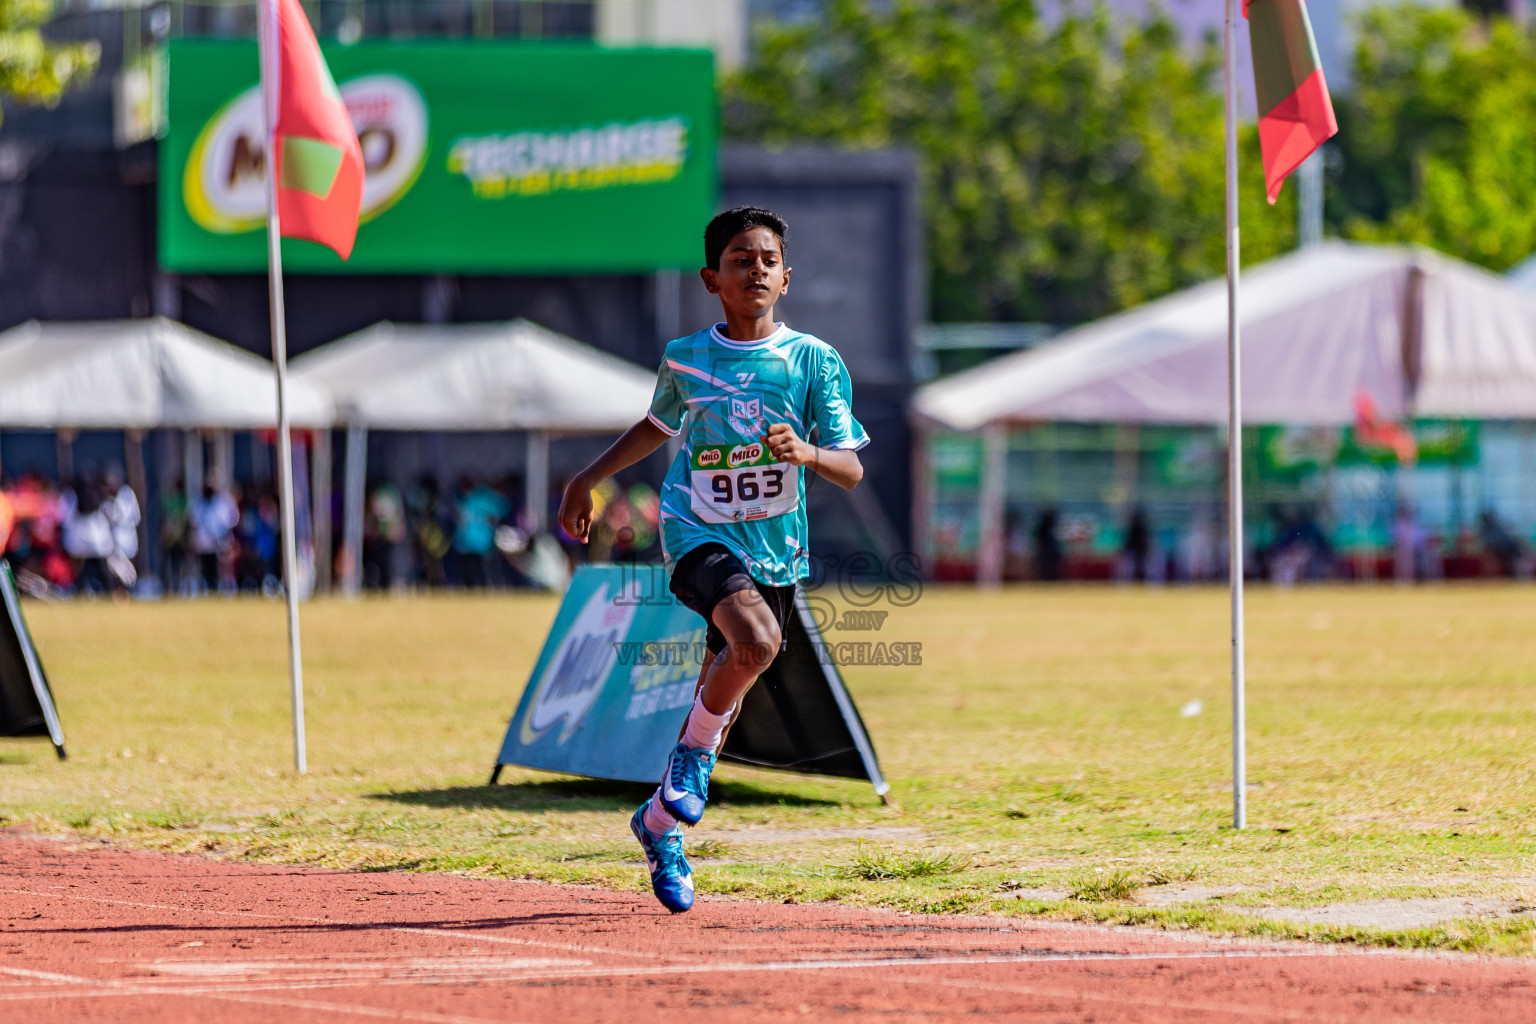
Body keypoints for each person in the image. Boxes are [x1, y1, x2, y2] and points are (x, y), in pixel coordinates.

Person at [557, 207, 868, 914]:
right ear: (710, 279)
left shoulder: (814, 361)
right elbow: (656, 426)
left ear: (786, 278)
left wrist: (807, 452)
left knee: (730, 680)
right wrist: (587, 478)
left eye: (767, 260)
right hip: (696, 528)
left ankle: (659, 825)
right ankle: (691, 763)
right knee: (757, 641)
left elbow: (849, 468)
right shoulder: (686, 357)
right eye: (739, 260)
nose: (755, 270)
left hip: (776, 550)